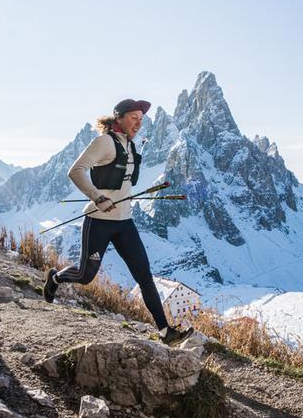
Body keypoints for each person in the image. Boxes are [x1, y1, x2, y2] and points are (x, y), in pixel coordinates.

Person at [43, 99, 192, 345]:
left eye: (141, 118)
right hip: (99, 221)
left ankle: (166, 332)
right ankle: (54, 279)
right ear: (120, 118)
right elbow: (76, 170)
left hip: (125, 223)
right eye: (134, 117)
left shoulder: (130, 145)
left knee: (144, 275)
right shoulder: (104, 142)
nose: (139, 122)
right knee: (85, 274)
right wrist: (98, 197)